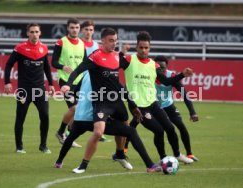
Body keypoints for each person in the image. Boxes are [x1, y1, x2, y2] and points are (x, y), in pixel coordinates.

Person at [61, 28, 161, 173]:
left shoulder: (116, 57)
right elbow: (77, 71)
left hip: (118, 103)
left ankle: (135, 160)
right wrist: (67, 85)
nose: (114, 43)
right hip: (102, 103)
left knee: (128, 131)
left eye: (116, 41)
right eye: (111, 40)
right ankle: (83, 165)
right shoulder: (95, 57)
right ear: (102, 41)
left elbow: (118, 85)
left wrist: (132, 104)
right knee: (98, 133)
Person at [120, 31, 194, 163]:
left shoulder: (154, 65)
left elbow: (166, 81)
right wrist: (122, 53)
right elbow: (113, 65)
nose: (143, 50)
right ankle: (163, 157)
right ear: (136, 47)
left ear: (150, 48)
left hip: (152, 103)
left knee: (170, 128)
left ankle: (177, 154)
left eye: (146, 48)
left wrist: (182, 74)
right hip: (138, 106)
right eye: (141, 47)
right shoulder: (129, 60)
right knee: (159, 130)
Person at [4, 23, 55, 154]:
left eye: (36, 32)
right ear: (27, 33)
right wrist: (7, 82)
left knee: (45, 116)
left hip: (40, 90)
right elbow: (9, 65)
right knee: (20, 118)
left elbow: (47, 68)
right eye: (32, 32)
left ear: (40, 33)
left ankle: (43, 145)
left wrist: (50, 84)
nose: (34, 34)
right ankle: (19, 147)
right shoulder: (20, 48)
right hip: (24, 90)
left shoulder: (43, 48)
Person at [154, 55, 199, 161]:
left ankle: (189, 154)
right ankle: (123, 149)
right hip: (154, 107)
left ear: (167, 67)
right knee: (157, 130)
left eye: (163, 67)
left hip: (168, 105)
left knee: (181, 126)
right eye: (158, 67)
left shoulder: (171, 76)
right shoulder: (150, 75)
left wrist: (192, 112)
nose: (161, 70)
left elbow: (184, 94)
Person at [52, 18, 85, 148]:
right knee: (74, 108)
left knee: (80, 111)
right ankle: (61, 132)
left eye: (77, 28)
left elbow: (85, 62)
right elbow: (53, 62)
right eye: (72, 27)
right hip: (65, 81)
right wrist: (62, 67)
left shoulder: (82, 44)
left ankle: (68, 135)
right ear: (67, 28)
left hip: (79, 81)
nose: (74, 30)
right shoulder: (61, 42)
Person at [80, 20, 108, 142]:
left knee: (95, 104)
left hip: (94, 79)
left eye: (91, 30)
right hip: (81, 78)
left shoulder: (96, 45)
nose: (88, 32)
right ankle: (67, 130)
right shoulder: (79, 44)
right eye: (86, 29)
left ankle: (98, 132)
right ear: (82, 31)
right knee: (76, 106)